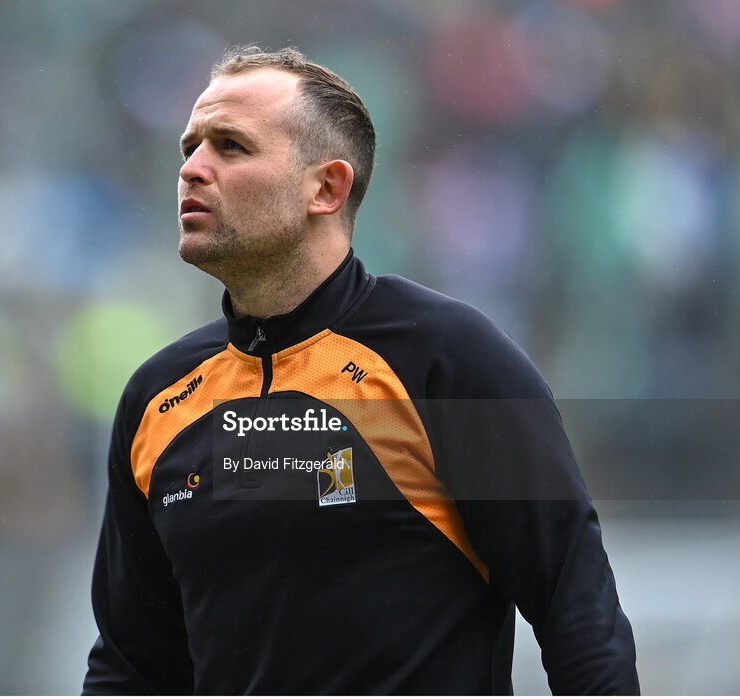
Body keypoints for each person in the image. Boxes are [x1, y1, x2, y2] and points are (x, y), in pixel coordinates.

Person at [82, 46, 638, 695]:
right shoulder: (157, 398)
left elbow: (578, 612)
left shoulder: (447, 358)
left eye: (230, 146)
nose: (192, 169)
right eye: (190, 147)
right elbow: (130, 667)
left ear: (327, 188)